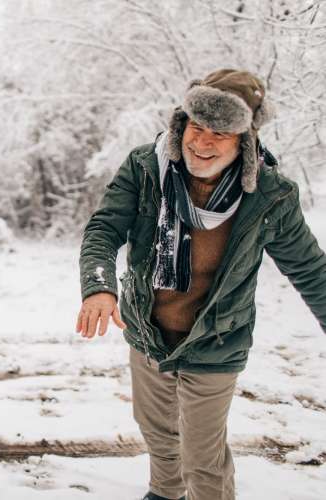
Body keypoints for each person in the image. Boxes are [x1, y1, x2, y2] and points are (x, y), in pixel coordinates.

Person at [76, 69, 326, 500]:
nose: (202, 142)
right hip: (148, 334)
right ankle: (164, 494)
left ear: (243, 142)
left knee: (202, 459)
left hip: (215, 342)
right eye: (197, 127)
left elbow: (309, 270)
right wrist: (98, 286)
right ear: (181, 125)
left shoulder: (270, 197)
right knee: (158, 437)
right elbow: (104, 229)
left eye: (220, 133)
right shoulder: (145, 168)